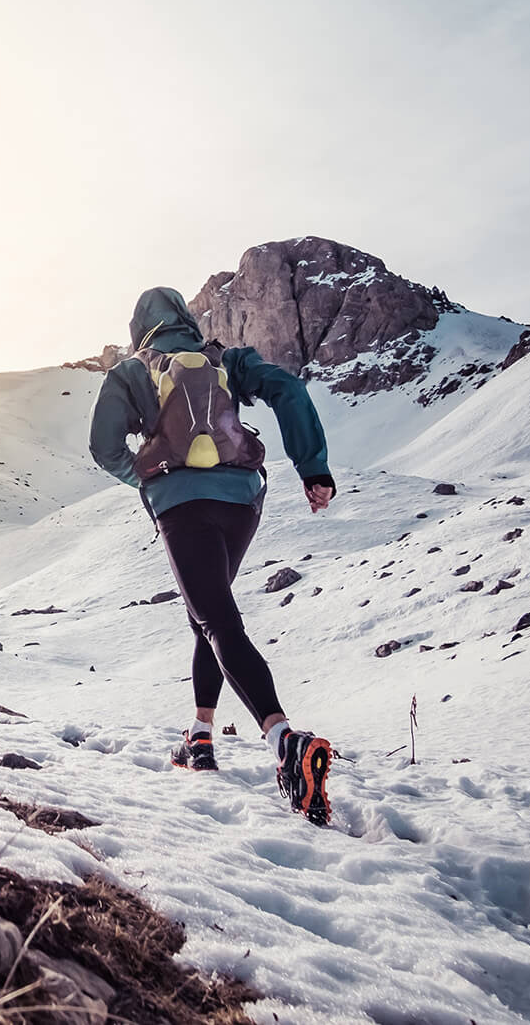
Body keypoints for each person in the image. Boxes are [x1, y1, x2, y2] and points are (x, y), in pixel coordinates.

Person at [88, 287, 338, 825]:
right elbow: (287, 389)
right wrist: (312, 467)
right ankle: (199, 738)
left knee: (216, 618)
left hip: (183, 504)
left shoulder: (133, 372)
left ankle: (286, 743)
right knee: (207, 613)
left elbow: (104, 448)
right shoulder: (225, 359)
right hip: (243, 502)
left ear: (140, 329)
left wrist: (148, 475)